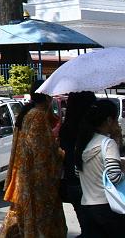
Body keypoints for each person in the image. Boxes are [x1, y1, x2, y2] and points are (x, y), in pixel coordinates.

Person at [0, 84, 66, 238]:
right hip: (37, 179)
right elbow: (41, 150)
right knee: (39, 220)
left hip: (25, 174)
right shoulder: (38, 116)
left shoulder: (27, 114)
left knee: (23, 216)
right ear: (48, 97)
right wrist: (61, 153)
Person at [75, 99, 125, 235]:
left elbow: (78, 172)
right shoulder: (108, 144)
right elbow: (114, 176)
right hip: (108, 207)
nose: (117, 123)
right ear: (109, 120)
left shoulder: (83, 143)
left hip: (87, 206)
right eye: (115, 120)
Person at [58, 91, 96, 234]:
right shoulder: (92, 132)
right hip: (91, 186)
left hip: (72, 183)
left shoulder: (66, 129)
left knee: (86, 227)